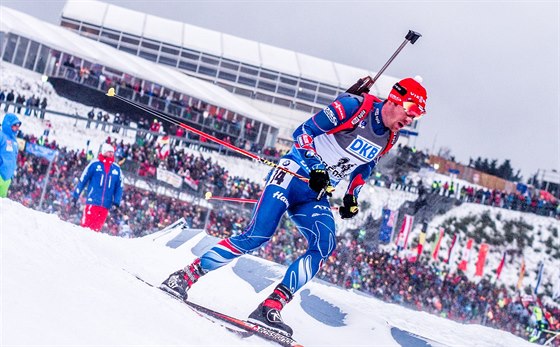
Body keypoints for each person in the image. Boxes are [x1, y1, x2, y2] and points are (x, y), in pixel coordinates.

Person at [160, 77, 428, 336]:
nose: (410, 120)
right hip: (292, 174)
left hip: (314, 193)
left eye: (416, 117)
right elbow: (302, 133)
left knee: (324, 245)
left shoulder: (390, 138)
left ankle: (271, 307)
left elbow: (366, 164)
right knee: (257, 236)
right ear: (396, 100)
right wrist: (316, 167)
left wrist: (351, 196)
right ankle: (184, 276)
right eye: (410, 112)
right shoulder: (354, 107)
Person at [72, 142, 123, 232]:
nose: (111, 154)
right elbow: (83, 180)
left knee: (96, 230)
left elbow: (119, 187)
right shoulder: (94, 165)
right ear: (103, 152)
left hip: (105, 205)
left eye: (112, 152)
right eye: (109, 151)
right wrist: (75, 196)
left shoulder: (116, 169)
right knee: (85, 227)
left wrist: (116, 202)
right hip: (93, 201)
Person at [0, 113, 22, 198]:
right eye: (15, 125)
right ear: (8, 124)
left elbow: (13, 157)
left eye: (18, 125)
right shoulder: (1, 136)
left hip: (7, 178)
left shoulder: (14, 141)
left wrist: (11, 175)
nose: (17, 128)